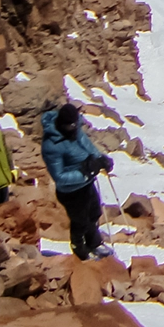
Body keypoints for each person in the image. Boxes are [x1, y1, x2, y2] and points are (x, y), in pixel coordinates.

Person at [41, 103, 115, 260]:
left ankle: (94, 243)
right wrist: (85, 172)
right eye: (70, 125)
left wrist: (100, 159)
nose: (74, 127)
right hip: (71, 191)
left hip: (87, 183)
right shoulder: (52, 145)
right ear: (62, 124)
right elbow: (59, 176)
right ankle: (80, 249)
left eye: (75, 123)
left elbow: (87, 146)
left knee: (94, 213)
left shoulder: (76, 130)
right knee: (80, 221)